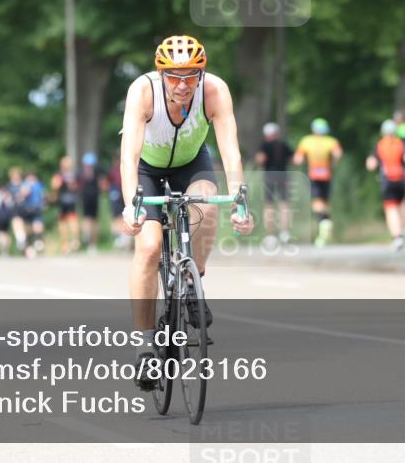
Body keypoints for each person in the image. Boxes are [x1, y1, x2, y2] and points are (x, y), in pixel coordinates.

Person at [118, 35, 254, 391]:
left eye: (190, 75)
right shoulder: (143, 90)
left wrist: (240, 201)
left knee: (207, 207)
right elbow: (129, 154)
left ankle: (192, 282)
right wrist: (129, 203)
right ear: (160, 74)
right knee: (147, 249)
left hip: (192, 164)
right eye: (173, 76)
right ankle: (145, 345)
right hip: (148, 169)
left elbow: (231, 152)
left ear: (201, 73)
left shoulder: (215, 91)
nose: (182, 85)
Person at [366, 120, 405, 250]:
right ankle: (402, 231)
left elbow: (371, 164)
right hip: (401, 180)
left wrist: (372, 163)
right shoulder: (402, 144)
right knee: (403, 205)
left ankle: (397, 236)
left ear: (383, 132)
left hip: (387, 181)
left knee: (391, 209)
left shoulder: (379, 145)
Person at [293, 117, 342, 245]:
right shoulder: (331, 141)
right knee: (325, 201)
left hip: (313, 174)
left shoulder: (306, 141)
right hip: (326, 174)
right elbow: (338, 154)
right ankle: (326, 223)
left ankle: (323, 224)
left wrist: (302, 162)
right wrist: (333, 164)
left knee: (316, 202)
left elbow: (297, 159)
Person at [254, 122, 293, 247]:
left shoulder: (264, 145)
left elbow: (260, 159)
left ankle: (270, 236)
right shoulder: (283, 144)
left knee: (269, 206)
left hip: (270, 177)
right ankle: (285, 233)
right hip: (283, 176)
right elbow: (293, 159)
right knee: (284, 205)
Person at [51, 157, 80, 256]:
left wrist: (54, 194)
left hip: (64, 200)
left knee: (65, 222)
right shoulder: (74, 174)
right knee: (72, 220)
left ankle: (67, 244)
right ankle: (73, 241)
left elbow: (55, 185)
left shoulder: (60, 174)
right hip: (70, 199)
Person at [79, 153, 107, 253]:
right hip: (87, 198)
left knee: (92, 220)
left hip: (93, 198)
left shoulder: (96, 173)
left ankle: (91, 242)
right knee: (88, 219)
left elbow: (103, 186)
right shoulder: (81, 173)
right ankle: (87, 237)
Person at [106, 155, 131, 251]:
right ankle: (119, 238)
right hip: (115, 196)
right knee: (117, 217)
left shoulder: (124, 169)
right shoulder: (112, 172)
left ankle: (125, 239)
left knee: (125, 216)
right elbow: (106, 183)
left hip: (124, 195)